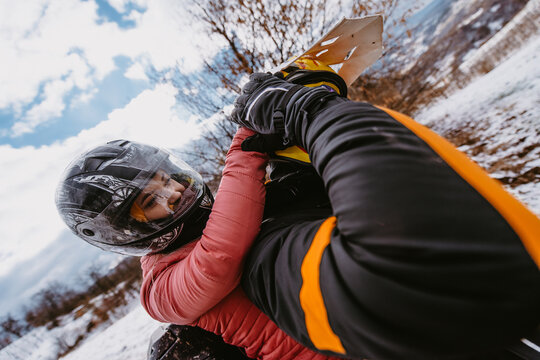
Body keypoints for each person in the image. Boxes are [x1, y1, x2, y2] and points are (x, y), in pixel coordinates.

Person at [227, 72, 540, 360]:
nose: (176, 192)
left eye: (177, 177)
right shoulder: (259, 255)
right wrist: (309, 112)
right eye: (172, 202)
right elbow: (421, 270)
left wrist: (309, 146)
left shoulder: (295, 204)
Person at [55, 128, 342, 360]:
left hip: (361, 307)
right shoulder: (161, 289)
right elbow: (220, 257)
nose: (175, 191)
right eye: (151, 199)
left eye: (166, 179)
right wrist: (247, 144)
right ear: (127, 230)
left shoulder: (231, 214)